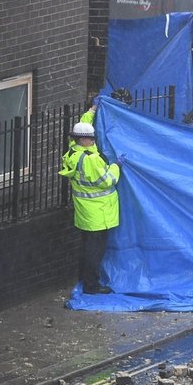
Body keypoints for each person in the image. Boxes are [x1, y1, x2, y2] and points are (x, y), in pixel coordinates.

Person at [59, 105, 121, 295]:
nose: (94, 140)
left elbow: (84, 125)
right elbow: (107, 181)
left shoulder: (72, 151)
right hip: (99, 213)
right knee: (94, 253)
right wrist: (116, 166)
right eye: (92, 138)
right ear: (84, 140)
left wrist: (91, 112)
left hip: (85, 212)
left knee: (87, 248)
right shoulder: (91, 160)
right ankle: (91, 286)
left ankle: (84, 280)